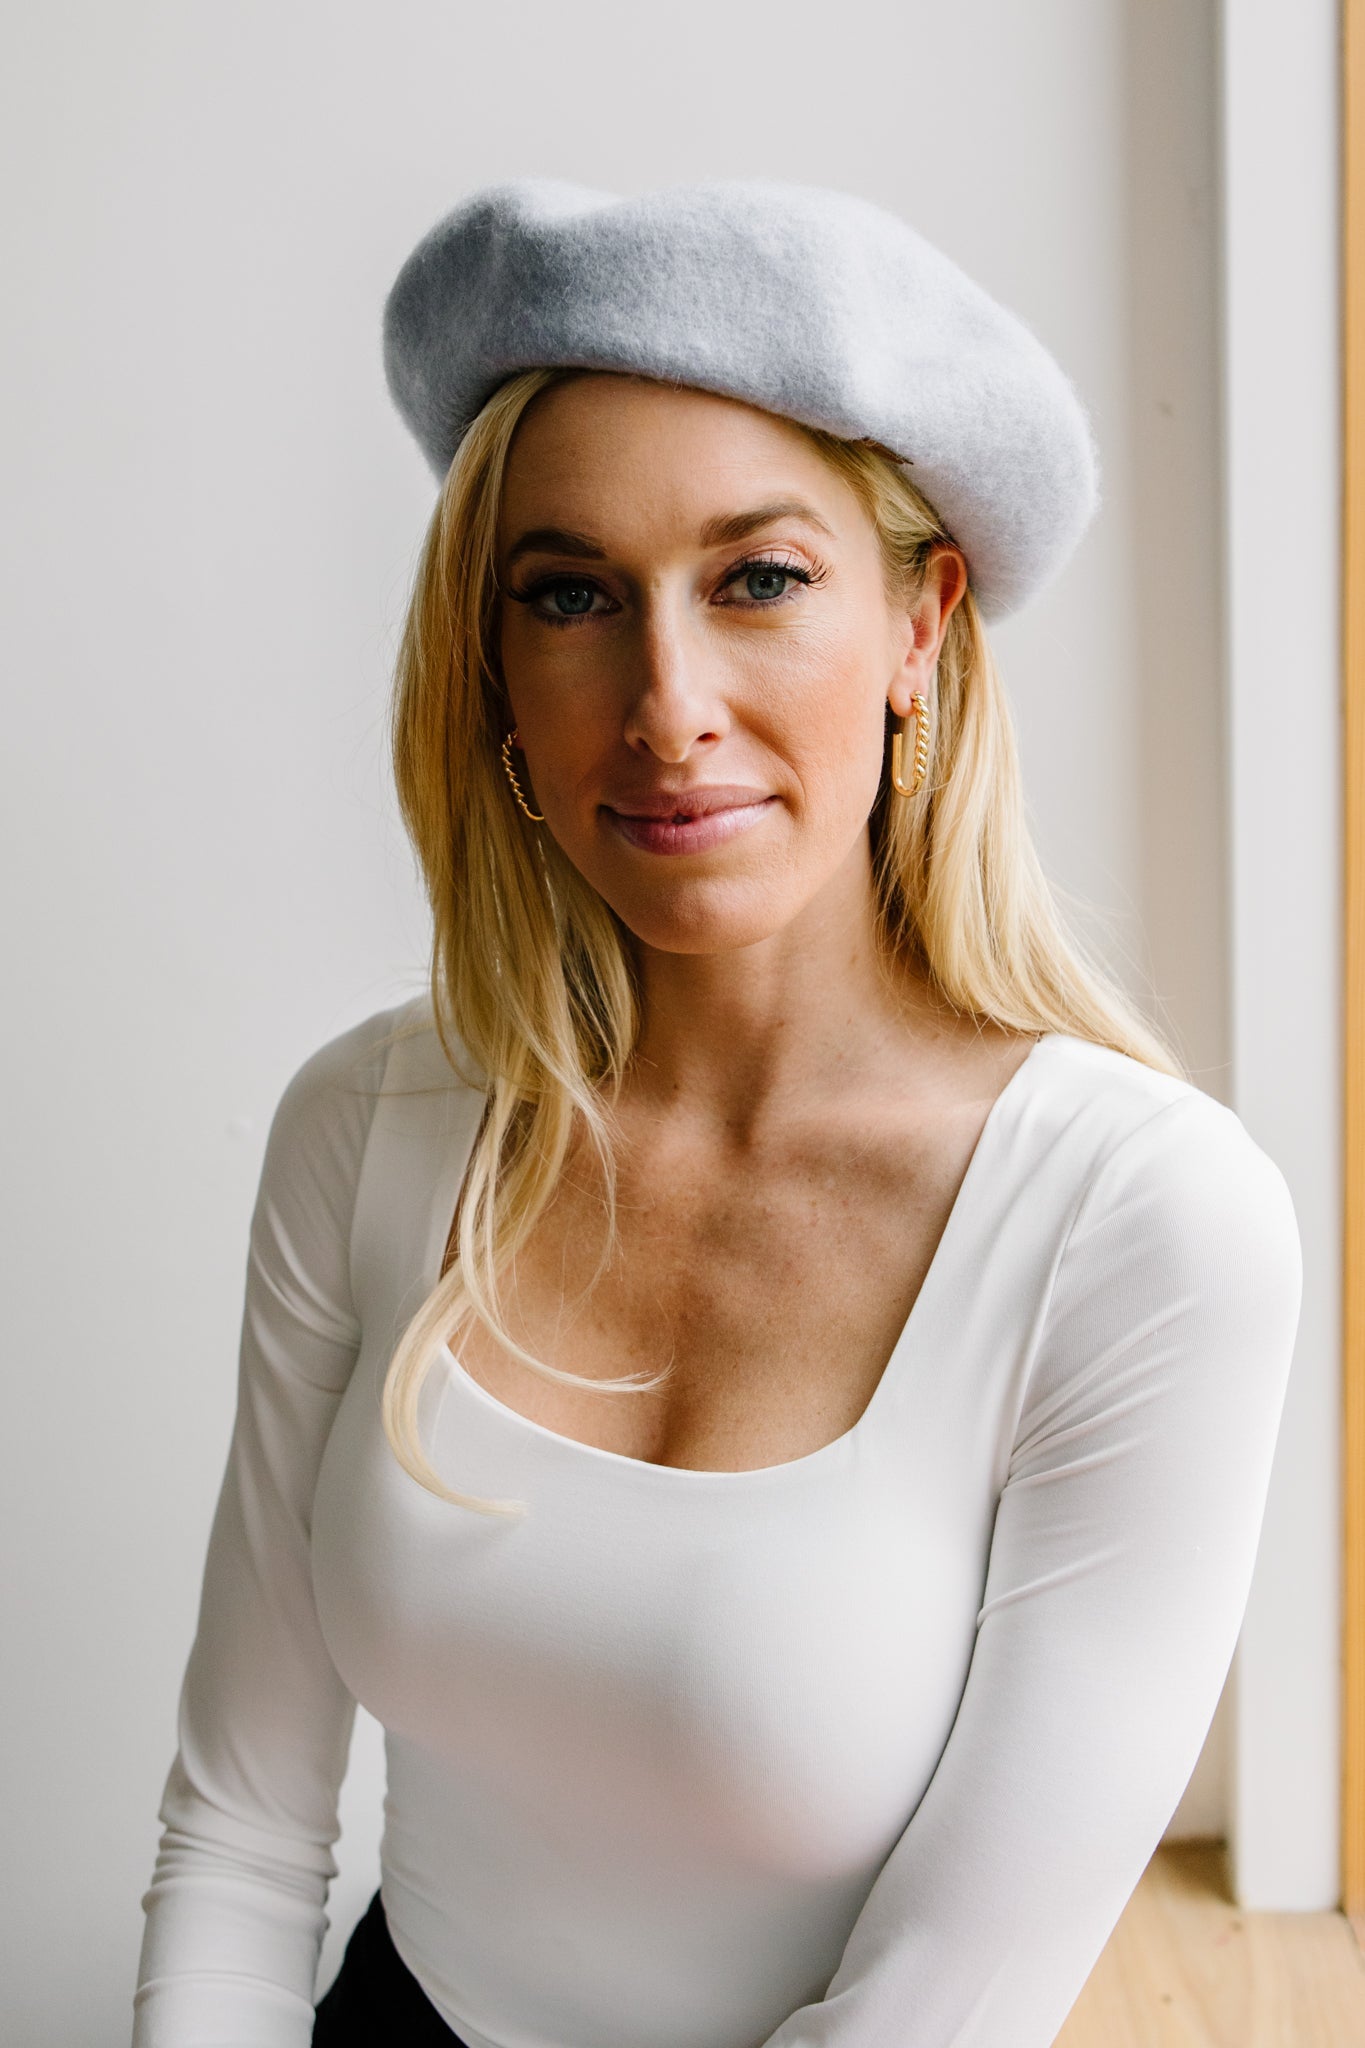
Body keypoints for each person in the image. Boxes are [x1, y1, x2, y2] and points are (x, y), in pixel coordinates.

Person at [131, 179, 1303, 2048]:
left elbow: (935, 2005)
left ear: (919, 629)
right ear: (494, 670)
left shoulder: (1139, 1224)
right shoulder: (369, 1125)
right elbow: (244, 1838)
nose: (665, 705)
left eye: (757, 580)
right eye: (571, 595)